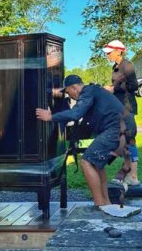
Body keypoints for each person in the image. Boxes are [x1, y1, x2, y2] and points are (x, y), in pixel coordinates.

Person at [36, 74, 124, 207]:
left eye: (68, 92)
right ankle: (106, 202)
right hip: (121, 128)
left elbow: (76, 113)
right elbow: (83, 122)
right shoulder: (94, 91)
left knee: (86, 162)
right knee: (96, 164)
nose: (68, 96)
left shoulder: (87, 91)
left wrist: (51, 117)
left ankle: (99, 205)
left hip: (115, 129)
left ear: (74, 87)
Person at [103, 39, 141, 185]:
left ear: (119, 51)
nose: (108, 56)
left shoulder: (127, 65)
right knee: (124, 139)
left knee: (130, 138)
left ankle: (132, 174)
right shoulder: (116, 67)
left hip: (127, 107)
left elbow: (134, 86)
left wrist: (114, 89)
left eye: (109, 52)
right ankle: (128, 172)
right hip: (119, 108)